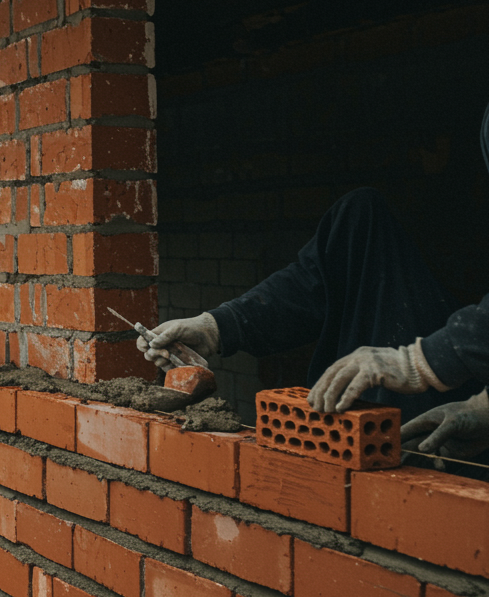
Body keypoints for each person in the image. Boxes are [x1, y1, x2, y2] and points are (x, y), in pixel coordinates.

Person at [139, 106, 489, 465]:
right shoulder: (368, 220)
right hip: (369, 438)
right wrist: (214, 327)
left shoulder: (458, 237)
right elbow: (306, 287)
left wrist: (431, 370)